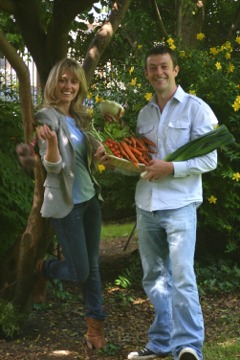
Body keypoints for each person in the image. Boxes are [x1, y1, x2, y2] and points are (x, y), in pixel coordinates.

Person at [97, 44, 218, 360]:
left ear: (175, 69)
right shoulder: (144, 113)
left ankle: (189, 346)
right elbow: (139, 163)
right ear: (147, 72)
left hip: (179, 205)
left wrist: (172, 168)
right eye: (152, 67)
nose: (158, 72)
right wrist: (113, 160)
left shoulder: (196, 109)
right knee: (153, 277)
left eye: (164, 66)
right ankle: (163, 342)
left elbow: (210, 158)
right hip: (146, 205)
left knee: (182, 277)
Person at [34, 58, 106, 350]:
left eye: (73, 81)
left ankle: (95, 328)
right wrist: (51, 143)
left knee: (93, 266)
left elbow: (88, 144)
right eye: (63, 80)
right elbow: (52, 167)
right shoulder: (46, 117)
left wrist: (99, 147)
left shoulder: (80, 117)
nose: (68, 86)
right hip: (67, 205)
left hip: (90, 200)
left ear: (80, 86)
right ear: (54, 83)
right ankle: (45, 268)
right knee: (80, 272)